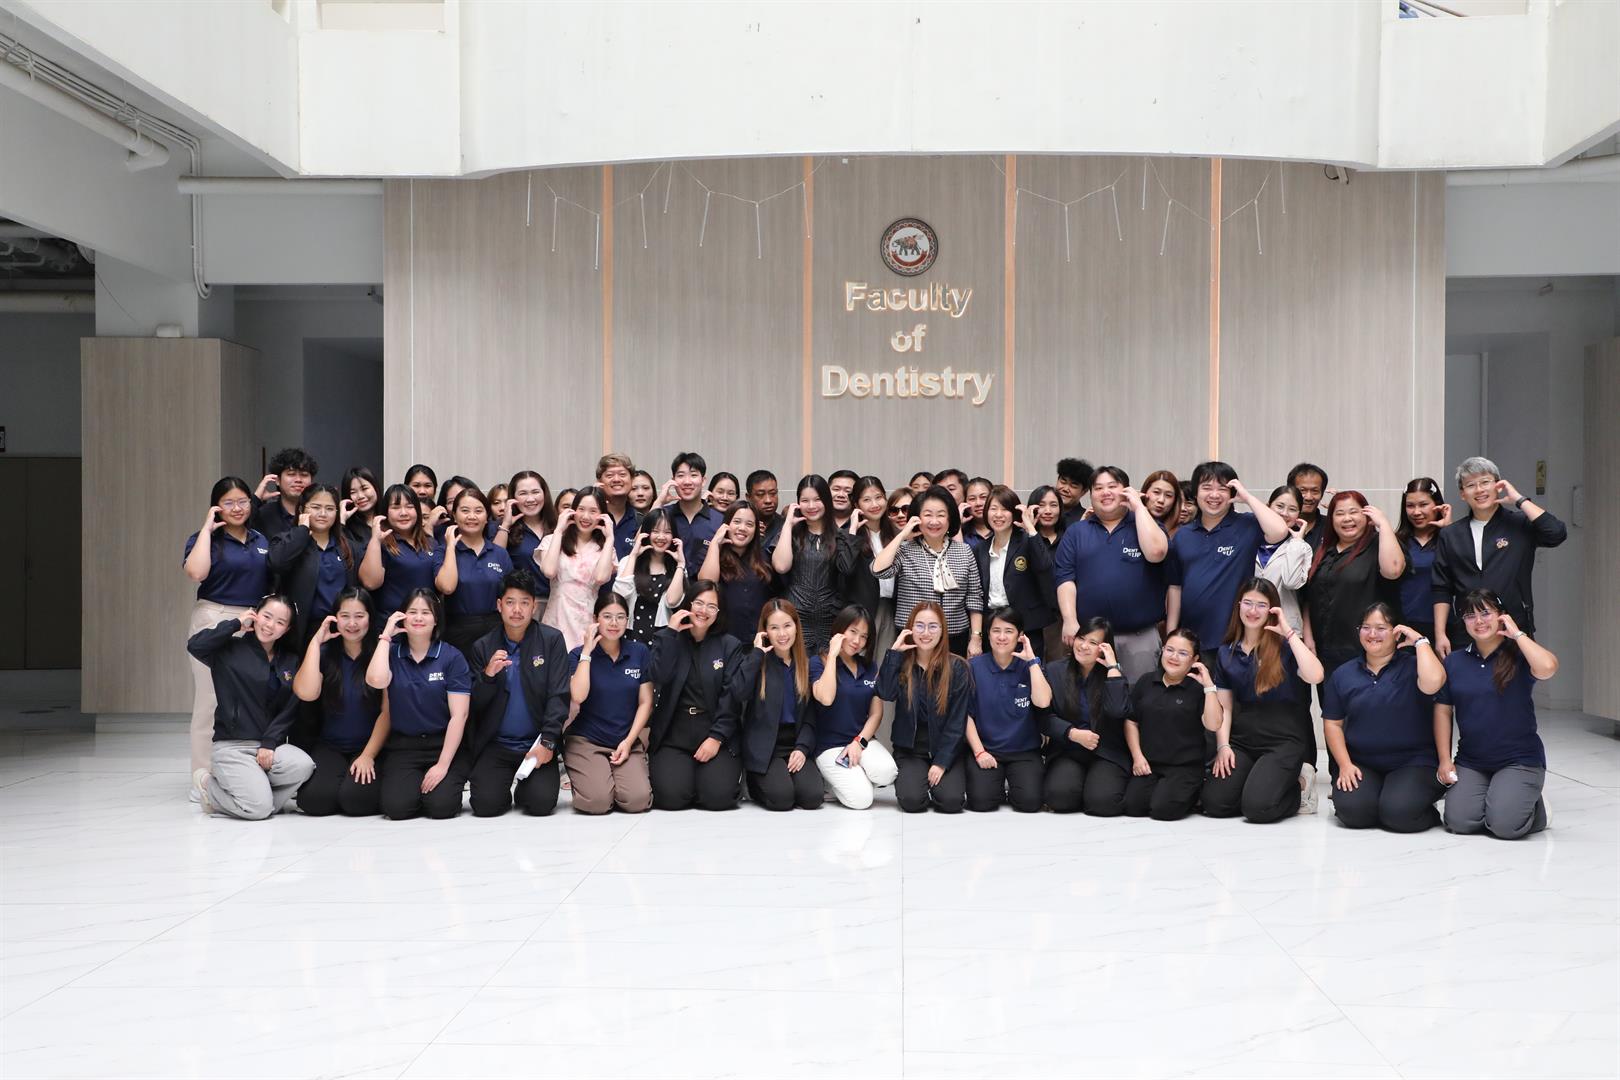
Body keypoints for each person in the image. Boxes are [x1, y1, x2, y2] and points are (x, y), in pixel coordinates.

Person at [1436, 590, 1558, 839]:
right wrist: (1445, 760)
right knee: (1459, 822)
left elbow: (1548, 668)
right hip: (1472, 760)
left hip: (1519, 759)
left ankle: (1537, 809)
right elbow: (1443, 711)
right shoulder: (1454, 662)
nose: (1479, 621)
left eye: (1485, 613)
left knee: (1504, 826)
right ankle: (1501, 797)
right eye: (1470, 615)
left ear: (1501, 616)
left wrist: (1517, 634)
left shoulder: (1519, 655)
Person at [1202, 579, 1326, 822]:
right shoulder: (1227, 652)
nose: (1253, 611)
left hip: (1283, 739)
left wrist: (1289, 632)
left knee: (1258, 809)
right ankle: (1258, 782)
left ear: (1272, 610)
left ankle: (1301, 786)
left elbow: (1316, 675)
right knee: (1215, 803)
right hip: (1243, 739)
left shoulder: (1286, 647)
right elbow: (1225, 707)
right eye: (1248, 603)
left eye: (1261, 605)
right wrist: (1223, 746)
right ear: (1238, 605)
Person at [1321, 603, 1446, 832]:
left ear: (1396, 632)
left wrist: (1420, 642)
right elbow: (1332, 723)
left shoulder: (1414, 666)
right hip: (1362, 762)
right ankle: (1381, 800)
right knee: (1354, 813)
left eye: (1381, 628)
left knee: (1399, 814)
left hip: (1412, 761)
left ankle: (1414, 805)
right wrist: (1345, 765)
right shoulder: (1343, 674)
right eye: (1366, 627)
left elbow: (1434, 682)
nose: (1372, 634)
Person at [186, 595, 314, 818]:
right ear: (255, 614)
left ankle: (255, 797)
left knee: (303, 765)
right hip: (232, 746)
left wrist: (270, 742)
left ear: (287, 629)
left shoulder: (290, 660)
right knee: (259, 809)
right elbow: (195, 645)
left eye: (280, 622)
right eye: (267, 616)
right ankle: (208, 785)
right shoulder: (228, 650)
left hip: (269, 748)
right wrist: (235, 623)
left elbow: (289, 710)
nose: (270, 625)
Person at [1430, 456, 1567, 659]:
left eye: (1485, 482)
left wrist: (1519, 500)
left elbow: (1556, 533)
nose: (1479, 490)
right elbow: (1441, 587)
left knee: (1515, 679)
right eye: (1471, 485)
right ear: (1462, 494)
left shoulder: (1519, 524)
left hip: (1513, 628)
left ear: (1498, 486)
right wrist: (1440, 634)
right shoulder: (1451, 534)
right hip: (1467, 630)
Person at [182, 476, 272, 778]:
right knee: (210, 700)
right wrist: (207, 530)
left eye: (242, 501)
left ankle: (243, 774)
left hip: (252, 620)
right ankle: (203, 776)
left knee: (249, 698)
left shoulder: (260, 540)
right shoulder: (203, 539)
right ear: (216, 507)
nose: (237, 508)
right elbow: (196, 573)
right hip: (214, 616)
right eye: (228, 502)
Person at [464, 571, 571, 817]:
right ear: (499, 605)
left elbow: (559, 695)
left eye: (524, 602)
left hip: (535, 742)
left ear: (534, 606)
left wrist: (548, 742)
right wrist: (488, 676)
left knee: (541, 804)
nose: (517, 610)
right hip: (497, 745)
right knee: (485, 805)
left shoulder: (552, 640)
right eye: (510, 602)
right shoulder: (483, 646)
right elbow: (475, 705)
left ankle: (526, 788)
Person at [1054, 466, 1168, 680]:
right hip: (1090, 638)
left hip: (1139, 637)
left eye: (1112, 486)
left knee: (1139, 696)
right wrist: (1069, 620)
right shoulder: (1077, 532)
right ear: (1090, 495)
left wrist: (1139, 507)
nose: (1105, 492)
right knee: (1091, 695)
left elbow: (1157, 553)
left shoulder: (1145, 524)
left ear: (1126, 490)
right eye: (1098, 488)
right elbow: (1065, 578)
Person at [367, 589, 472, 820]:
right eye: (412, 612)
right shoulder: (391, 653)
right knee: (396, 809)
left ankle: (434, 790)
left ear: (436, 619)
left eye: (425, 612)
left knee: (442, 807)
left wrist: (442, 765)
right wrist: (386, 635)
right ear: (402, 617)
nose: (418, 617)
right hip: (404, 746)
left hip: (443, 744)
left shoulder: (451, 657)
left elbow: (459, 716)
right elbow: (376, 680)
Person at [1165, 461, 1289, 647]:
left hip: (1234, 638)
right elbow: (1175, 587)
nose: (1214, 495)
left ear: (1232, 493)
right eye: (1207, 487)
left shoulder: (1247, 525)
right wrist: (1171, 633)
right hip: (1190, 639)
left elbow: (1280, 530)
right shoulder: (1183, 535)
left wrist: (1247, 497)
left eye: (1222, 489)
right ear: (1196, 493)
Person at [646, 581, 745, 811]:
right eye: (699, 603)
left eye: (712, 606)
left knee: (717, 798)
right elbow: (659, 675)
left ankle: (704, 781)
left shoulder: (730, 645)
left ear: (719, 612)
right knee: (671, 798)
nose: (703, 610)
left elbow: (732, 697)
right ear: (688, 603)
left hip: (713, 731)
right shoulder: (668, 637)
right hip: (674, 733)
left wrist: (716, 738)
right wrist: (670, 633)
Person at [290, 588, 388, 817]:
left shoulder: (381, 653)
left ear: (370, 618)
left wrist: (368, 756)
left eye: (359, 616)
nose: (352, 623)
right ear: (334, 618)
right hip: (330, 745)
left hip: (370, 746)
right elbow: (306, 693)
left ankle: (351, 784)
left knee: (356, 802)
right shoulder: (324, 654)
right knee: (314, 802)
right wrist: (315, 642)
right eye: (345, 616)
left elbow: (387, 713)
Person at [726, 599, 822, 811]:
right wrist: (756, 653)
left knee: (812, 797)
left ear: (796, 627)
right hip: (766, 747)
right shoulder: (757, 661)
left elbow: (810, 715)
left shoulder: (805, 664)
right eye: (774, 628)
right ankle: (755, 782)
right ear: (765, 631)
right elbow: (738, 692)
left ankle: (785, 777)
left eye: (787, 625)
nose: (782, 634)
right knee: (782, 799)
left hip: (794, 743)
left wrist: (802, 748)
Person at [1302, 491, 1406, 684]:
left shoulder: (1379, 543)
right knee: (1331, 703)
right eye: (1339, 513)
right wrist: (1308, 637)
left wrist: (1383, 524)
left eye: (1353, 512)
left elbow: (1393, 570)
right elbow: (1308, 597)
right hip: (1326, 652)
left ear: (1366, 515)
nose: (1347, 518)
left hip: (1368, 652)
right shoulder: (1323, 550)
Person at [564, 593, 655, 814]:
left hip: (625, 740)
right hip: (587, 740)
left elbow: (646, 702)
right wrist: (587, 652)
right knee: (597, 802)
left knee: (637, 800)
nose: (614, 623)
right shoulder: (577, 654)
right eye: (607, 616)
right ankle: (596, 780)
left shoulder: (639, 652)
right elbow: (578, 696)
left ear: (627, 620)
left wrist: (629, 741)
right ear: (595, 619)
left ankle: (613, 780)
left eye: (620, 617)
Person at [878, 602, 972, 813]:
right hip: (911, 751)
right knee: (912, 801)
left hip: (946, 750)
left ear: (942, 630)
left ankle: (940, 781)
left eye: (933, 626)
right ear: (910, 629)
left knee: (951, 802)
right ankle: (918, 781)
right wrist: (894, 653)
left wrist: (941, 763)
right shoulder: (901, 662)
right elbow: (885, 693)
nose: (926, 633)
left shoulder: (957, 667)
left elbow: (957, 722)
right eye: (919, 626)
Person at [872, 485, 984, 656]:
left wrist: (976, 637)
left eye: (941, 515)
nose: (934, 521)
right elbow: (878, 570)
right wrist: (902, 535)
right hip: (912, 637)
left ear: (950, 519)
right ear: (917, 518)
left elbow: (974, 597)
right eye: (928, 515)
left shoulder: (964, 551)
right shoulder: (905, 549)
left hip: (954, 636)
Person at [1123, 628, 1219, 820]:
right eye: (1169, 650)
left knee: (1163, 810)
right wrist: (1137, 757)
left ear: (1194, 659)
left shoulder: (1198, 688)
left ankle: (1195, 792)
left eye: (1183, 653)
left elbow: (1214, 724)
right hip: (1149, 764)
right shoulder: (1146, 681)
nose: (1174, 657)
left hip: (1184, 767)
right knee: (1133, 807)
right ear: (1162, 650)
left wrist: (1209, 687)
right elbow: (1131, 721)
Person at [1040, 618, 1132, 816]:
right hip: (1068, 749)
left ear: (1104, 648)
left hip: (1105, 752)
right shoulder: (1055, 670)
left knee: (1103, 803)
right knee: (1059, 798)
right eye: (1081, 638)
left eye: (1093, 642)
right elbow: (1043, 717)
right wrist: (1071, 733)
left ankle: (1093, 787)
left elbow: (1117, 711)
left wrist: (1112, 667)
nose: (1083, 646)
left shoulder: (1113, 675)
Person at [964, 608, 1053, 812]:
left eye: (1009, 631)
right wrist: (979, 752)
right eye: (996, 631)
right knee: (981, 802)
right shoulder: (973, 667)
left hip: (1024, 751)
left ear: (1020, 635)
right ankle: (996, 788)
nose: (1002, 637)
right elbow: (966, 715)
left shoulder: (1031, 666)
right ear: (988, 634)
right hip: (987, 749)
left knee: (1030, 803)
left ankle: (1014, 787)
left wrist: (1032, 661)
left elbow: (1043, 702)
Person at [811, 606, 898, 809]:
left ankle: (853, 776)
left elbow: (876, 713)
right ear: (840, 629)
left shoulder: (869, 667)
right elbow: (826, 698)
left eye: (864, 636)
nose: (857, 641)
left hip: (860, 741)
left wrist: (859, 742)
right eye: (852, 631)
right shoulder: (818, 662)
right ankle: (831, 782)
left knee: (888, 772)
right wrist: (832, 656)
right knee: (862, 800)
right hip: (830, 746)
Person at [770, 474, 855, 655]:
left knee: (827, 668)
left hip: (830, 619)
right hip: (796, 618)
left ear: (826, 501)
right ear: (797, 503)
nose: (811, 506)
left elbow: (847, 568)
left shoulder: (838, 535)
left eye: (817, 499)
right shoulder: (791, 534)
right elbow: (781, 566)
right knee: (797, 668)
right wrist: (788, 525)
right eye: (805, 501)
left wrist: (852, 531)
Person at [267, 483, 358, 650]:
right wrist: (302, 530)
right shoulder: (286, 540)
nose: (323, 514)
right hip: (301, 632)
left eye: (329, 509)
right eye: (316, 507)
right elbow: (277, 563)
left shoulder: (348, 546)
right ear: (302, 509)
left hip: (341, 630)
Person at [975, 484, 1058, 659]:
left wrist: (1030, 529)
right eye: (993, 509)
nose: (998, 514)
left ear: (1014, 513)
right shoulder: (980, 548)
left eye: (1004, 509)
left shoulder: (1027, 541)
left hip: (1026, 627)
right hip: (993, 626)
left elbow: (1045, 567)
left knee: (1029, 673)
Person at [537, 487, 619, 650]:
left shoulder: (606, 548)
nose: (586, 516)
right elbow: (549, 571)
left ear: (602, 515)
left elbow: (601, 578)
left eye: (593, 511)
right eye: (581, 509)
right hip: (555, 619)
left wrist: (610, 538)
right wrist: (559, 531)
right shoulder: (552, 540)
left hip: (585, 623)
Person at [434, 487, 512, 656]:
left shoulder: (499, 553)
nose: (472, 516)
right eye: (465, 511)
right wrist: (451, 547)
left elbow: (510, 596)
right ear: (454, 515)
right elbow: (447, 587)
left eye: (478, 511)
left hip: (495, 631)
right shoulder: (442, 551)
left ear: (487, 517)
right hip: (456, 632)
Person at [358, 484, 439, 616]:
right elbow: (370, 583)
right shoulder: (380, 543)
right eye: (396, 507)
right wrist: (375, 540)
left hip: (424, 622)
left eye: (409, 507)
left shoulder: (431, 542)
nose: (403, 513)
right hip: (391, 622)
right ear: (385, 512)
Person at [699, 502, 777, 639]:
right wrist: (715, 543)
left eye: (749, 524)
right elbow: (706, 584)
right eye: (736, 522)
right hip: (723, 639)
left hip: (758, 639)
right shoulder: (714, 555)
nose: (742, 528)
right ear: (726, 525)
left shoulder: (765, 558)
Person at [843, 477, 899, 658]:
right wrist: (852, 533)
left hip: (891, 609)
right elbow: (846, 569)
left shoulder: (895, 533)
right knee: (860, 660)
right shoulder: (847, 534)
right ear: (856, 504)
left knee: (886, 660)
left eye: (879, 497)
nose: (874, 504)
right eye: (867, 500)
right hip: (862, 610)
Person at [613, 508, 687, 645]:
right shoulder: (628, 561)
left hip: (661, 639)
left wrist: (681, 564)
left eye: (667, 532)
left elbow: (672, 601)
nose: (661, 537)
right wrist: (633, 556)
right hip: (630, 636)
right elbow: (620, 595)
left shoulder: (677, 567)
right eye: (655, 531)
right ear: (646, 533)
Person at [1253, 485, 1312, 635]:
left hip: (1285, 629)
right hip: (1251, 623)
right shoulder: (1250, 539)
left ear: (1299, 515)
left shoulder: (1302, 548)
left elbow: (1291, 582)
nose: (1285, 513)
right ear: (1268, 507)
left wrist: (1296, 542)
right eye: (1279, 506)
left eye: (1292, 509)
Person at [1396, 477, 1450, 642]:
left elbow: (1464, 573)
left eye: (1423, 504)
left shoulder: (1450, 537)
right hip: (1404, 626)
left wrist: (1449, 531)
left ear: (1437, 504)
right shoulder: (1396, 541)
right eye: (1410, 505)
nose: (1416, 512)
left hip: (1446, 628)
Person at [499, 469, 557, 618]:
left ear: (544, 494)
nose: (530, 499)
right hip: (523, 606)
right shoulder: (505, 528)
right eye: (523, 493)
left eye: (535, 492)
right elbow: (495, 560)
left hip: (560, 603)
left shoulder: (559, 525)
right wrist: (506, 525)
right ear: (513, 498)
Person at [251, 447, 318, 540]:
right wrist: (256, 499)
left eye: (304, 475)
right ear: (277, 480)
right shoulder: (264, 514)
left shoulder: (319, 513)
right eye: (291, 474)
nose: (298, 480)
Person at [595, 452, 642, 559]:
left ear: (632, 480)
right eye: (609, 475)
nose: (616, 479)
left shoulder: (639, 520)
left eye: (622, 474)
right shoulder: (591, 518)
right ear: (599, 481)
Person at [1286, 463, 1330, 549]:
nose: (1308, 497)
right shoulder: (1280, 525)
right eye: (1302, 490)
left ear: (1322, 493)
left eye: (1315, 491)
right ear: (1291, 491)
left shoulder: (1331, 526)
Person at [340, 466, 380, 549]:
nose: (360, 496)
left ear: (375, 487)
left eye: (364, 488)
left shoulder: (390, 519)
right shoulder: (346, 528)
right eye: (353, 492)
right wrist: (341, 520)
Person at [746, 469, 784, 547]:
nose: (768, 500)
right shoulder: (740, 526)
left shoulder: (785, 526)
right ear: (748, 497)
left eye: (773, 493)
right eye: (760, 494)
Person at [1141, 469, 1183, 540]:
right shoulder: (1130, 523)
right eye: (1156, 492)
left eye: (1168, 495)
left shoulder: (1181, 533)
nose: (1161, 500)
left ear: (1175, 501)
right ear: (1145, 492)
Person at [1055, 457, 1095, 527]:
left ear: (1084, 491)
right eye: (1063, 482)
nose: (1065, 489)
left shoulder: (1087, 519)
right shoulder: (1043, 513)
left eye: (1073, 486)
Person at [1025, 484, 1065, 550]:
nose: (1048, 511)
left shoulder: (1068, 538)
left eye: (1053, 505)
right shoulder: (1022, 538)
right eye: (1041, 505)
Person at [962, 476, 994, 547]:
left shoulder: (1004, 528)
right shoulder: (960, 531)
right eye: (972, 499)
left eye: (983, 497)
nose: (978, 503)